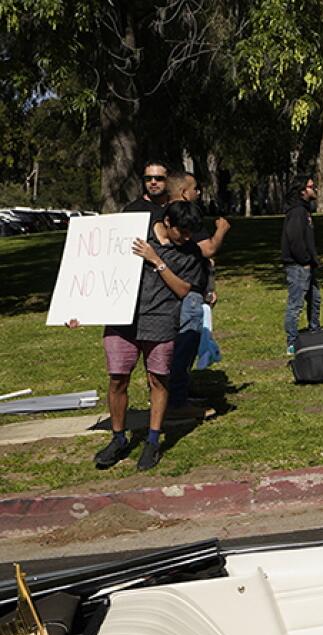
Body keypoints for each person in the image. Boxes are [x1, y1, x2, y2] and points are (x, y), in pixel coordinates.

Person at [90, 201, 209, 471]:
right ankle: (119, 439)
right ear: (167, 222)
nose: (189, 237)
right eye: (184, 231)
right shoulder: (135, 233)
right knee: (118, 379)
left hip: (161, 321)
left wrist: (156, 260)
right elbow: (98, 266)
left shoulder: (190, 253)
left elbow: (183, 291)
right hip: (123, 320)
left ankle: (153, 441)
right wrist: (82, 308)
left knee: (157, 379)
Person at [165, 172, 225, 413]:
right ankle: (177, 400)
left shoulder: (167, 218)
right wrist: (221, 229)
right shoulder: (182, 217)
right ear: (183, 193)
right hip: (187, 293)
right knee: (184, 345)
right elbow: (207, 249)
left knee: (182, 346)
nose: (198, 193)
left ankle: (178, 392)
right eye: (194, 189)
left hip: (192, 290)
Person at [281, 176, 321, 355]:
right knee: (295, 304)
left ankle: (315, 330)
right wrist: (304, 260)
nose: (315, 189)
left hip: (308, 264)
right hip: (298, 265)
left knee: (315, 299)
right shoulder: (297, 212)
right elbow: (295, 238)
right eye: (311, 186)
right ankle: (292, 341)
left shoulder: (305, 210)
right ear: (302, 191)